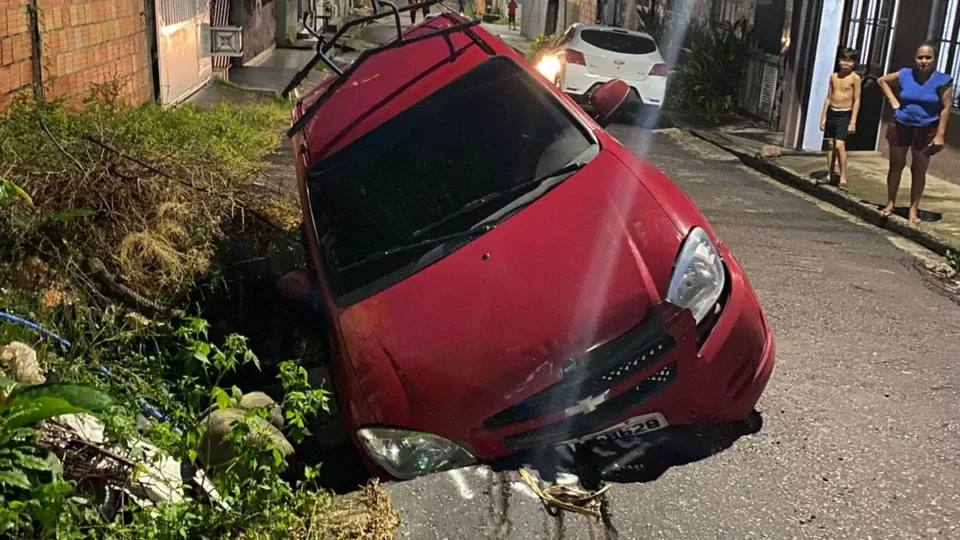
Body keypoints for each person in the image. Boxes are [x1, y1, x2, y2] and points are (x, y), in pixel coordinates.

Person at [878, 42, 953, 224]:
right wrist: (894, 102)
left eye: (928, 57)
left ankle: (913, 209)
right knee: (896, 165)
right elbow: (882, 80)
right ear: (915, 59)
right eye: (920, 57)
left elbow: (946, 107)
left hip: (927, 128)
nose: (924, 61)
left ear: (935, 60)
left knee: (918, 169)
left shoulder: (943, 80)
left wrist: (940, 134)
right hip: (901, 124)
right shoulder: (905, 74)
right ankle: (890, 203)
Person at [818, 48, 861, 190]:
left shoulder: (855, 78)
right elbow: (829, 97)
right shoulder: (834, 76)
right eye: (843, 60)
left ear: (854, 63)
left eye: (849, 61)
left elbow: (856, 100)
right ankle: (830, 174)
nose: (846, 64)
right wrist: (823, 117)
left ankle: (843, 178)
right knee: (830, 145)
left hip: (845, 114)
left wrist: (853, 121)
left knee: (839, 145)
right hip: (832, 113)